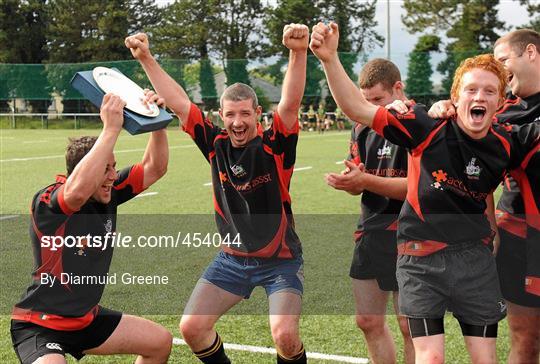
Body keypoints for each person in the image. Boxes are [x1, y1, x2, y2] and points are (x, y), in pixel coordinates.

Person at [310, 21, 539, 364]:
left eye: (490, 91)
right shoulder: (425, 124)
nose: (479, 97)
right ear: (455, 95)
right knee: (429, 358)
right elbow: (357, 110)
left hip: (474, 262)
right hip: (420, 260)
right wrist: (329, 59)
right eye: (471, 90)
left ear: (500, 101)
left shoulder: (509, 140)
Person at [126, 23, 308, 364]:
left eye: (244, 113)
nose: (237, 122)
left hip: (280, 261)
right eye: (230, 114)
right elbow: (180, 103)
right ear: (221, 116)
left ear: (257, 114)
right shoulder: (216, 144)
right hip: (232, 258)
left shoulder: (275, 146)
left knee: (284, 335)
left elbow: (290, 104)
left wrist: (298, 52)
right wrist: (146, 57)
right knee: (192, 329)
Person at [10, 93, 172, 364]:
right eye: (105, 169)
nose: (112, 176)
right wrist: (110, 129)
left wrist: (158, 123)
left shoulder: (109, 192)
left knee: (159, 342)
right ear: (83, 170)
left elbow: (155, 167)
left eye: (114, 167)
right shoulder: (49, 202)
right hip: (40, 323)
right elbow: (75, 193)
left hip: (87, 319)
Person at [423, 29, 540, 363]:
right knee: (526, 338)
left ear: (530, 52)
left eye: (503, 61)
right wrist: (445, 107)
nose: (499, 72)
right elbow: (476, 175)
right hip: (522, 239)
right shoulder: (501, 115)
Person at [325, 58, 414, 364]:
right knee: (367, 321)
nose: (370, 108)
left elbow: (415, 187)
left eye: (378, 99)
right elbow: (360, 181)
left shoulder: (418, 121)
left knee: (410, 325)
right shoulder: (362, 126)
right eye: (366, 101)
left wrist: (365, 181)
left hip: (411, 233)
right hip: (371, 229)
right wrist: (351, 181)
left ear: (398, 89)